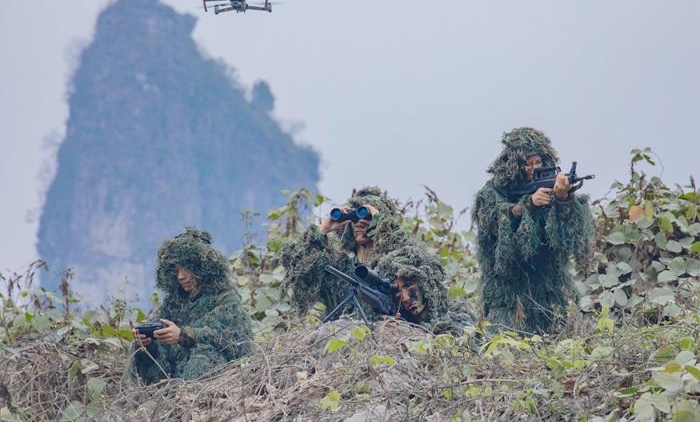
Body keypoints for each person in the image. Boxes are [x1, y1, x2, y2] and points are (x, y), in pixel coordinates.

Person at [282, 186, 476, 334]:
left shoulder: (398, 261)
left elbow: (422, 274)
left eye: (366, 216)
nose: (361, 222)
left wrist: (381, 222)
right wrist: (323, 230)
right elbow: (299, 268)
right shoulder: (341, 269)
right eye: (356, 216)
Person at [472, 127, 594, 334]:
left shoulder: (552, 188)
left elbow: (569, 235)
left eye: (537, 163)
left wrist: (563, 200)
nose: (533, 169)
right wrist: (527, 204)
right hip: (507, 294)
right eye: (527, 164)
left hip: (547, 292)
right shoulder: (492, 192)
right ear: (513, 165)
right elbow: (492, 222)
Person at [129, 227, 253, 384]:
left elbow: (238, 342)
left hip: (212, 380)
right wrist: (146, 343)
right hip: (172, 379)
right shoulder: (173, 303)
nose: (181, 276)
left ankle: (186, 396)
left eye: (187, 268)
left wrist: (184, 335)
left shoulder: (224, 298)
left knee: (204, 355)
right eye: (176, 270)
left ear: (203, 267)